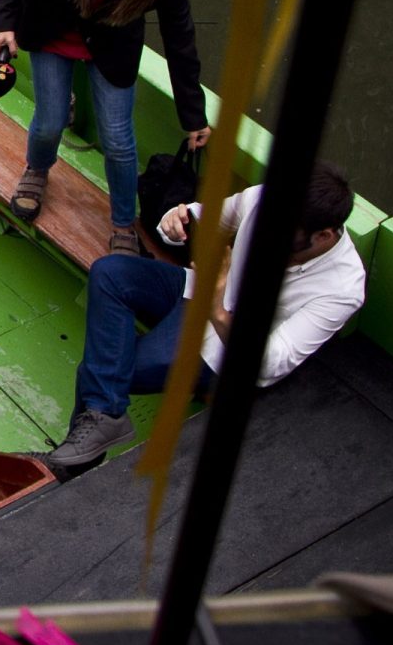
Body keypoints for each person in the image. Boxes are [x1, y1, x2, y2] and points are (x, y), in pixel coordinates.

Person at [46, 161, 366, 468]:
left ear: (323, 236)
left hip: (223, 345)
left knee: (99, 370)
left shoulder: (342, 289)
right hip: (199, 288)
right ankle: (104, 417)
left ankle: (72, 462)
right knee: (111, 273)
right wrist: (176, 219)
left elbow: (270, 363)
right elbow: (205, 217)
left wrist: (217, 309)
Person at [0, 0, 211, 258]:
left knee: (120, 143)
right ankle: (37, 170)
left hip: (111, 47)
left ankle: (123, 223)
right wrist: (5, 22)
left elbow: (180, 41)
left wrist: (194, 116)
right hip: (51, 33)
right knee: (49, 121)